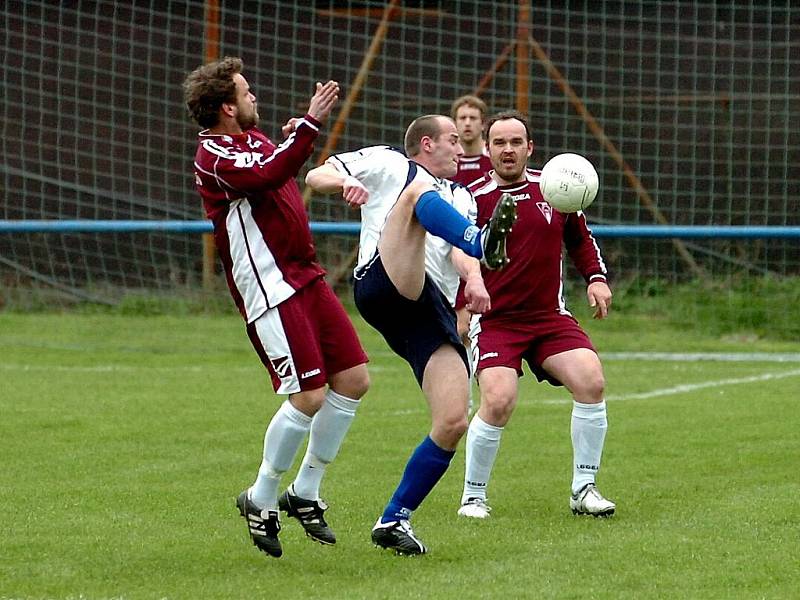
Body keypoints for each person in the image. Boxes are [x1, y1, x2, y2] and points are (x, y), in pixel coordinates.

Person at [183, 57, 370, 559]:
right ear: (227, 106)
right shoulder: (213, 154)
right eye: (246, 93)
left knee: (353, 379)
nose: (254, 99)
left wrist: (298, 139)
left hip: (305, 276)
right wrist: (307, 125)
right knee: (308, 395)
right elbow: (268, 174)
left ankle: (304, 491)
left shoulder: (254, 141)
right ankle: (261, 497)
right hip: (271, 288)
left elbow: (283, 164)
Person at [305, 114, 517, 554]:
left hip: (426, 308)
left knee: (454, 419)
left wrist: (474, 278)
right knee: (417, 190)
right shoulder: (390, 163)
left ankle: (393, 519)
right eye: (453, 141)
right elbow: (316, 173)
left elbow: (458, 255)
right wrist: (344, 184)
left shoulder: (460, 197)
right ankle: (483, 240)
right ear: (427, 143)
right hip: (382, 281)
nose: (462, 150)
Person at [457, 111, 615, 520]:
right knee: (498, 399)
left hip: (548, 317)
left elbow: (581, 240)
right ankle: (473, 496)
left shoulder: (557, 187)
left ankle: (584, 489)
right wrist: (462, 305)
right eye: (499, 143)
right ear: (488, 149)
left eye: (515, 142)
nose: (507, 150)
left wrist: (596, 278)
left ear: (530, 147)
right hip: (495, 321)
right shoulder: (471, 198)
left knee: (591, 380)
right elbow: (459, 256)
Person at [450, 95, 493, 187]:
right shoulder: (446, 158)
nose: (467, 123)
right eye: (462, 118)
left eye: (473, 118)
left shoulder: (494, 155)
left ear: (483, 124)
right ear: (454, 123)